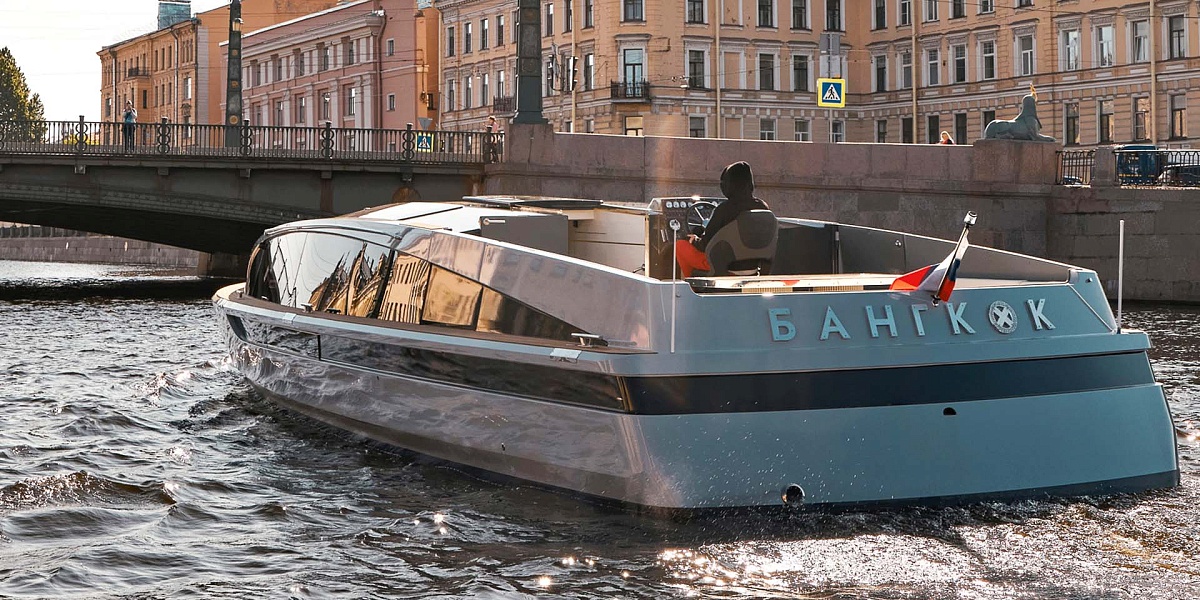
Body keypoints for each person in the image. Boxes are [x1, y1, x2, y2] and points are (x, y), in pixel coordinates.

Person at [674, 161, 770, 278]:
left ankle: (693, 287)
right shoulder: (763, 207)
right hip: (753, 269)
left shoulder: (724, 209)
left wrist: (694, 240)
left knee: (680, 245)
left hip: (724, 268)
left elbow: (706, 245)